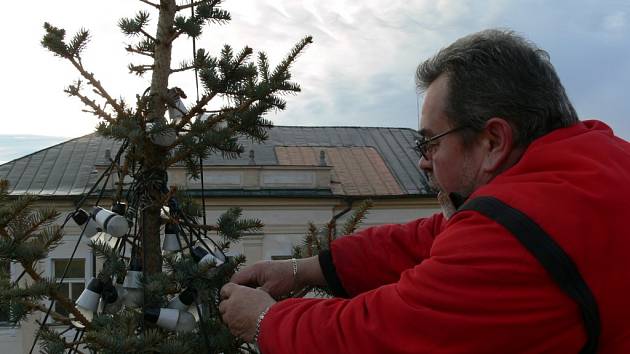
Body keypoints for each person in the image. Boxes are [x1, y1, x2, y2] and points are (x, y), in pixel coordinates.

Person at [218, 29, 630, 353]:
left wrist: (264, 322)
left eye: (431, 141)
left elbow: (377, 337)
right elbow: (431, 237)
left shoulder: (510, 241)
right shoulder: (593, 164)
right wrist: (300, 269)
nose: (422, 160)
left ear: (493, 142)